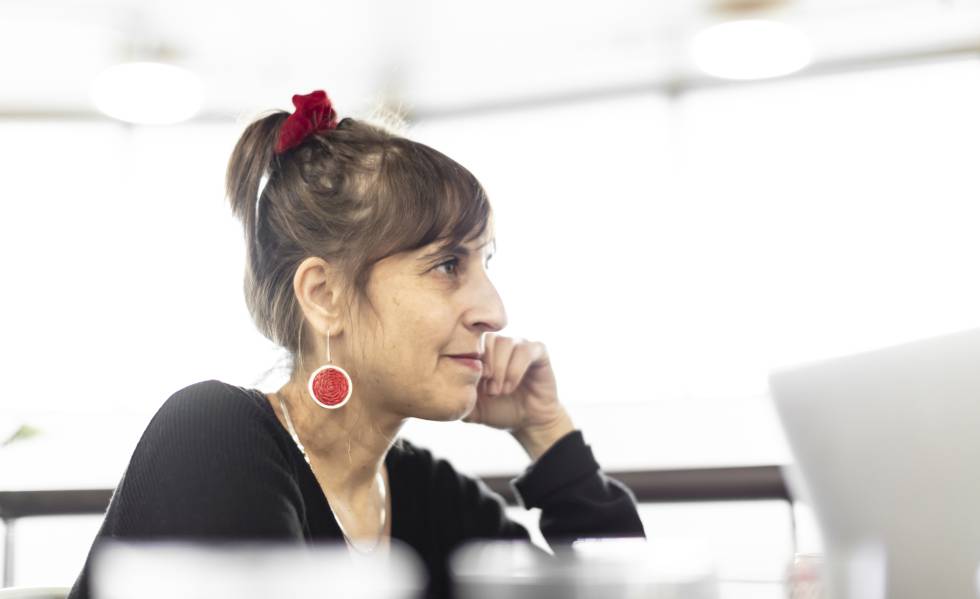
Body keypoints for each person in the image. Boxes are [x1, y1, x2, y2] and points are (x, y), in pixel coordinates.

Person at [66, 90, 645, 599]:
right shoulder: (213, 437)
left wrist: (549, 435)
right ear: (324, 295)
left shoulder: (423, 494)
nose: (495, 312)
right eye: (447, 264)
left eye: (484, 263)